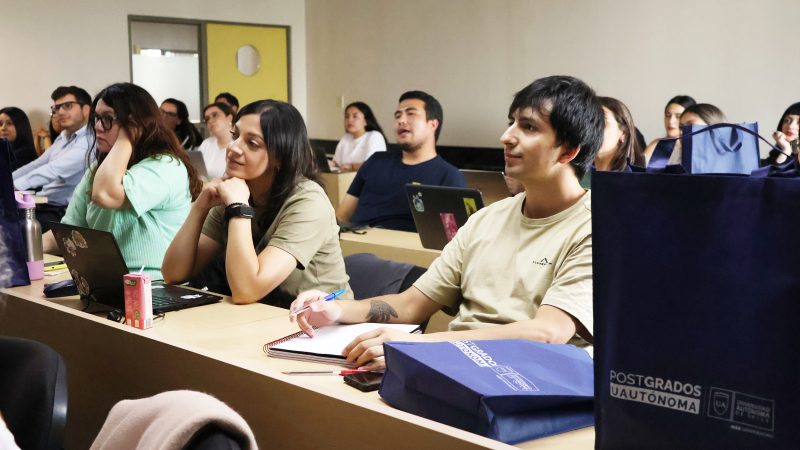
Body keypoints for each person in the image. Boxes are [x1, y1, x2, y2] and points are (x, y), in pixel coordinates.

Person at [291, 75, 604, 370]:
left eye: (529, 127)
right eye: (511, 123)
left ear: (568, 151)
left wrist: (423, 346)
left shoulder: (594, 228)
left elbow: (546, 333)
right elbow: (413, 303)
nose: (506, 137)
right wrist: (338, 310)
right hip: (455, 365)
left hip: (527, 378)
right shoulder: (486, 219)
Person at [162, 100, 351, 307]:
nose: (233, 147)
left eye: (252, 143)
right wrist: (200, 207)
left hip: (320, 324)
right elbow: (174, 273)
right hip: (264, 316)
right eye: (235, 136)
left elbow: (246, 290)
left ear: (280, 157)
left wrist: (238, 208)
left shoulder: (308, 202)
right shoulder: (234, 190)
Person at [41, 83, 202, 279]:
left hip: (154, 285)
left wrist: (127, 136)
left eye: (108, 119)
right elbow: (68, 230)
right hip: (107, 283)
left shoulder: (166, 165)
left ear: (136, 124)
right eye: (96, 118)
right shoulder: (99, 169)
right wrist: (23, 251)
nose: (98, 127)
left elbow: (106, 195)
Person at [336, 91, 465, 231]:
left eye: (411, 114)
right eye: (398, 115)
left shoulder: (448, 176)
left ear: (432, 124)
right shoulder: (375, 162)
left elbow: (451, 234)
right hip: (358, 242)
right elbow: (342, 216)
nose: (401, 120)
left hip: (406, 249)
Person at [12, 86, 92, 231]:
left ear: (86, 109)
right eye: (57, 107)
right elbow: (36, 165)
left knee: (12, 229)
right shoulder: (63, 137)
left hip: (64, 211)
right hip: (44, 204)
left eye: (67, 106)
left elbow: (54, 170)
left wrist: (14, 185)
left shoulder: (90, 140)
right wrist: (7, 180)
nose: (60, 112)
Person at [594, 97, 646, 172]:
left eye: (602, 123)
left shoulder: (630, 180)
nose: (591, 129)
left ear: (623, 134)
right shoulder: (579, 176)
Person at [643, 95, 696, 167]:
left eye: (678, 116)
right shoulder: (657, 144)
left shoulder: (697, 148)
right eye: (668, 115)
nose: (671, 121)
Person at [332, 102, 387, 171]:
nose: (349, 120)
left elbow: (373, 164)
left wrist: (352, 167)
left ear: (365, 121)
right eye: (347, 116)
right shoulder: (346, 138)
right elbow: (336, 163)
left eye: (355, 116)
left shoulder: (375, 136)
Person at [197, 102, 234, 179]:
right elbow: (198, 172)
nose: (210, 121)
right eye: (207, 119)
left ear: (229, 117)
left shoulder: (239, 144)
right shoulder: (206, 144)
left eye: (215, 115)